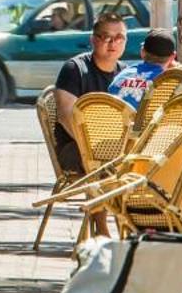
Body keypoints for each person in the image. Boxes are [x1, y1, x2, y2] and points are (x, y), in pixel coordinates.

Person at [52, 14, 127, 176]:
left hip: (116, 149)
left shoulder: (126, 74)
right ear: (93, 40)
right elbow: (66, 116)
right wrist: (98, 148)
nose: (113, 43)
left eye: (119, 37)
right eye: (107, 37)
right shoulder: (75, 69)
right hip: (77, 148)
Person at [109, 32, 177, 110]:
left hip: (112, 120)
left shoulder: (122, 75)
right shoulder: (169, 85)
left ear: (142, 52)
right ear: (173, 57)